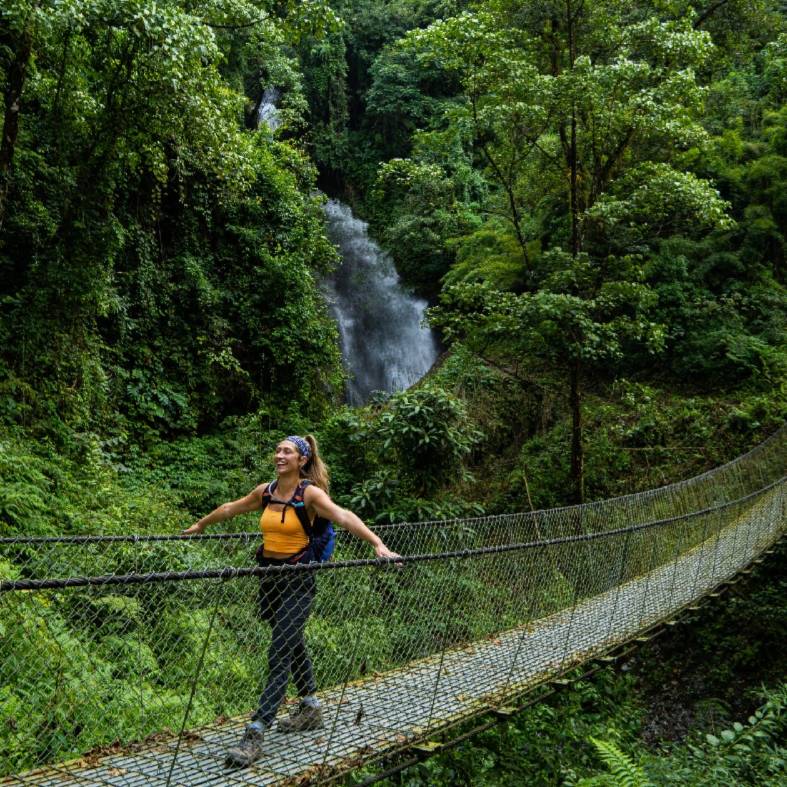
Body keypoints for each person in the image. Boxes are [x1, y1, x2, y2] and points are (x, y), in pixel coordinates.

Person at [182, 434, 399, 768]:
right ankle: (311, 707)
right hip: (269, 579)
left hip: (299, 580)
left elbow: (343, 516)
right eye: (278, 450)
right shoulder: (266, 491)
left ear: (301, 460)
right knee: (290, 638)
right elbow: (231, 507)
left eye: (288, 451)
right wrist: (201, 524)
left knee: (279, 650)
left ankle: (255, 732)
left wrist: (377, 543)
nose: (279, 455)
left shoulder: (310, 494)